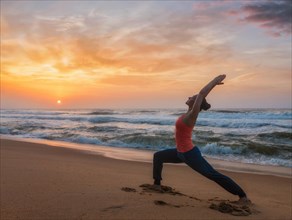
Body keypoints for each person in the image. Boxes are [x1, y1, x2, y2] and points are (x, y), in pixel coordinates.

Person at [152, 74, 250, 204]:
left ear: (196, 102)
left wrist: (214, 82)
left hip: (190, 154)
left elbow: (202, 93)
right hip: (179, 153)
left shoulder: (192, 115)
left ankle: (242, 196)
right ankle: (157, 184)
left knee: (212, 174)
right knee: (158, 156)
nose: (189, 97)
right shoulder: (186, 113)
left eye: (192, 97)